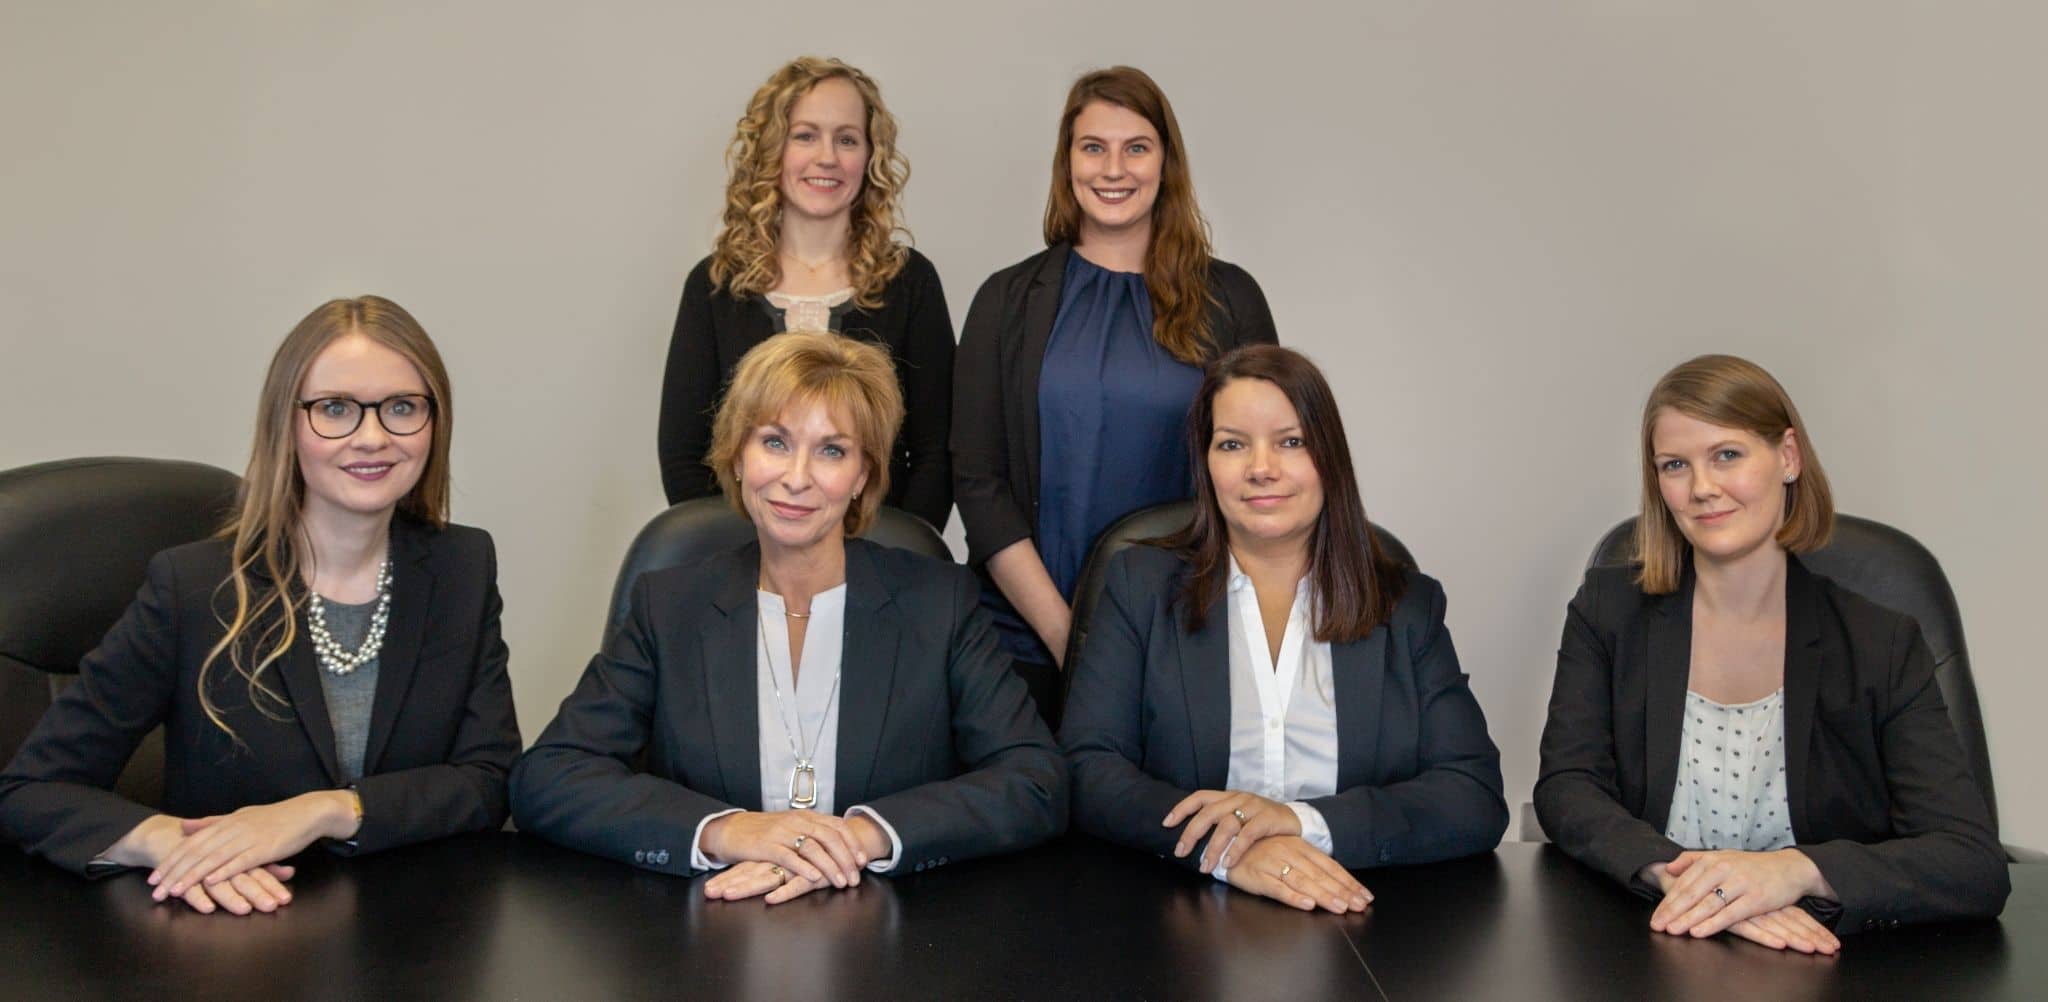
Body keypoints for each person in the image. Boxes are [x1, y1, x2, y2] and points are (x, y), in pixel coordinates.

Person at [0, 296, 521, 915]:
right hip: (230, 930)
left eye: (403, 407)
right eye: (335, 409)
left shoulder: (462, 567)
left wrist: (325, 809)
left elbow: (488, 780)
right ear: (286, 423)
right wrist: (164, 841)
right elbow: (32, 788)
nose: (373, 436)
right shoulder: (193, 588)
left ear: (436, 422)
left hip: (413, 927)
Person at [516, 331, 1064, 903]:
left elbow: (1035, 779)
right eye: (775, 442)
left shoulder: (940, 601)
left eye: (832, 450)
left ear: (863, 477)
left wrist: (865, 835)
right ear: (737, 454)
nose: (797, 477)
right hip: (708, 931)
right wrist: (727, 830)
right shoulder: (669, 605)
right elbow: (550, 777)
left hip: (888, 934)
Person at [1535, 354, 2009, 953]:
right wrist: (1684, 880)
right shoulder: (1609, 610)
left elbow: (1971, 861)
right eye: (1675, 465)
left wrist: (1792, 871)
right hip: (1654, 940)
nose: (1703, 488)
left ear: (1787, 457)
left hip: (1824, 955)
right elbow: (1567, 785)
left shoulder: (1879, 643)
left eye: (1727, 455)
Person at [1060, 345, 1507, 914]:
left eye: (1291, 442)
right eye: (1232, 444)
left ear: (1330, 459)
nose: (1261, 467)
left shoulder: (1407, 607)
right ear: (1206, 464)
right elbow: (1088, 769)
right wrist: (1228, 850)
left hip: (1361, 910)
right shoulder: (1140, 586)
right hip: (1177, 913)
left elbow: (1473, 795)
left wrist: (1299, 822)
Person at [952, 66, 1278, 707]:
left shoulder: (1231, 300)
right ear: (1066, 162)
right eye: (1093, 147)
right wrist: (1066, 635)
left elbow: (1264, 469)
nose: (1113, 169)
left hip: (1186, 638)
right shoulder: (1005, 300)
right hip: (1024, 643)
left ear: (1166, 163)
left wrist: (1142, 646)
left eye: (1136, 148)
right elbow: (978, 481)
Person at [659, 56, 952, 530]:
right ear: (772, 151)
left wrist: (891, 560)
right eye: (805, 135)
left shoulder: (911, 282)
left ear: (870, 156)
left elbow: (936, 452)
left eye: (847, 139)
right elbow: (684, 457)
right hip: (739, 565)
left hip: (881, 569)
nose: (828, 158)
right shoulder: (715, 286)